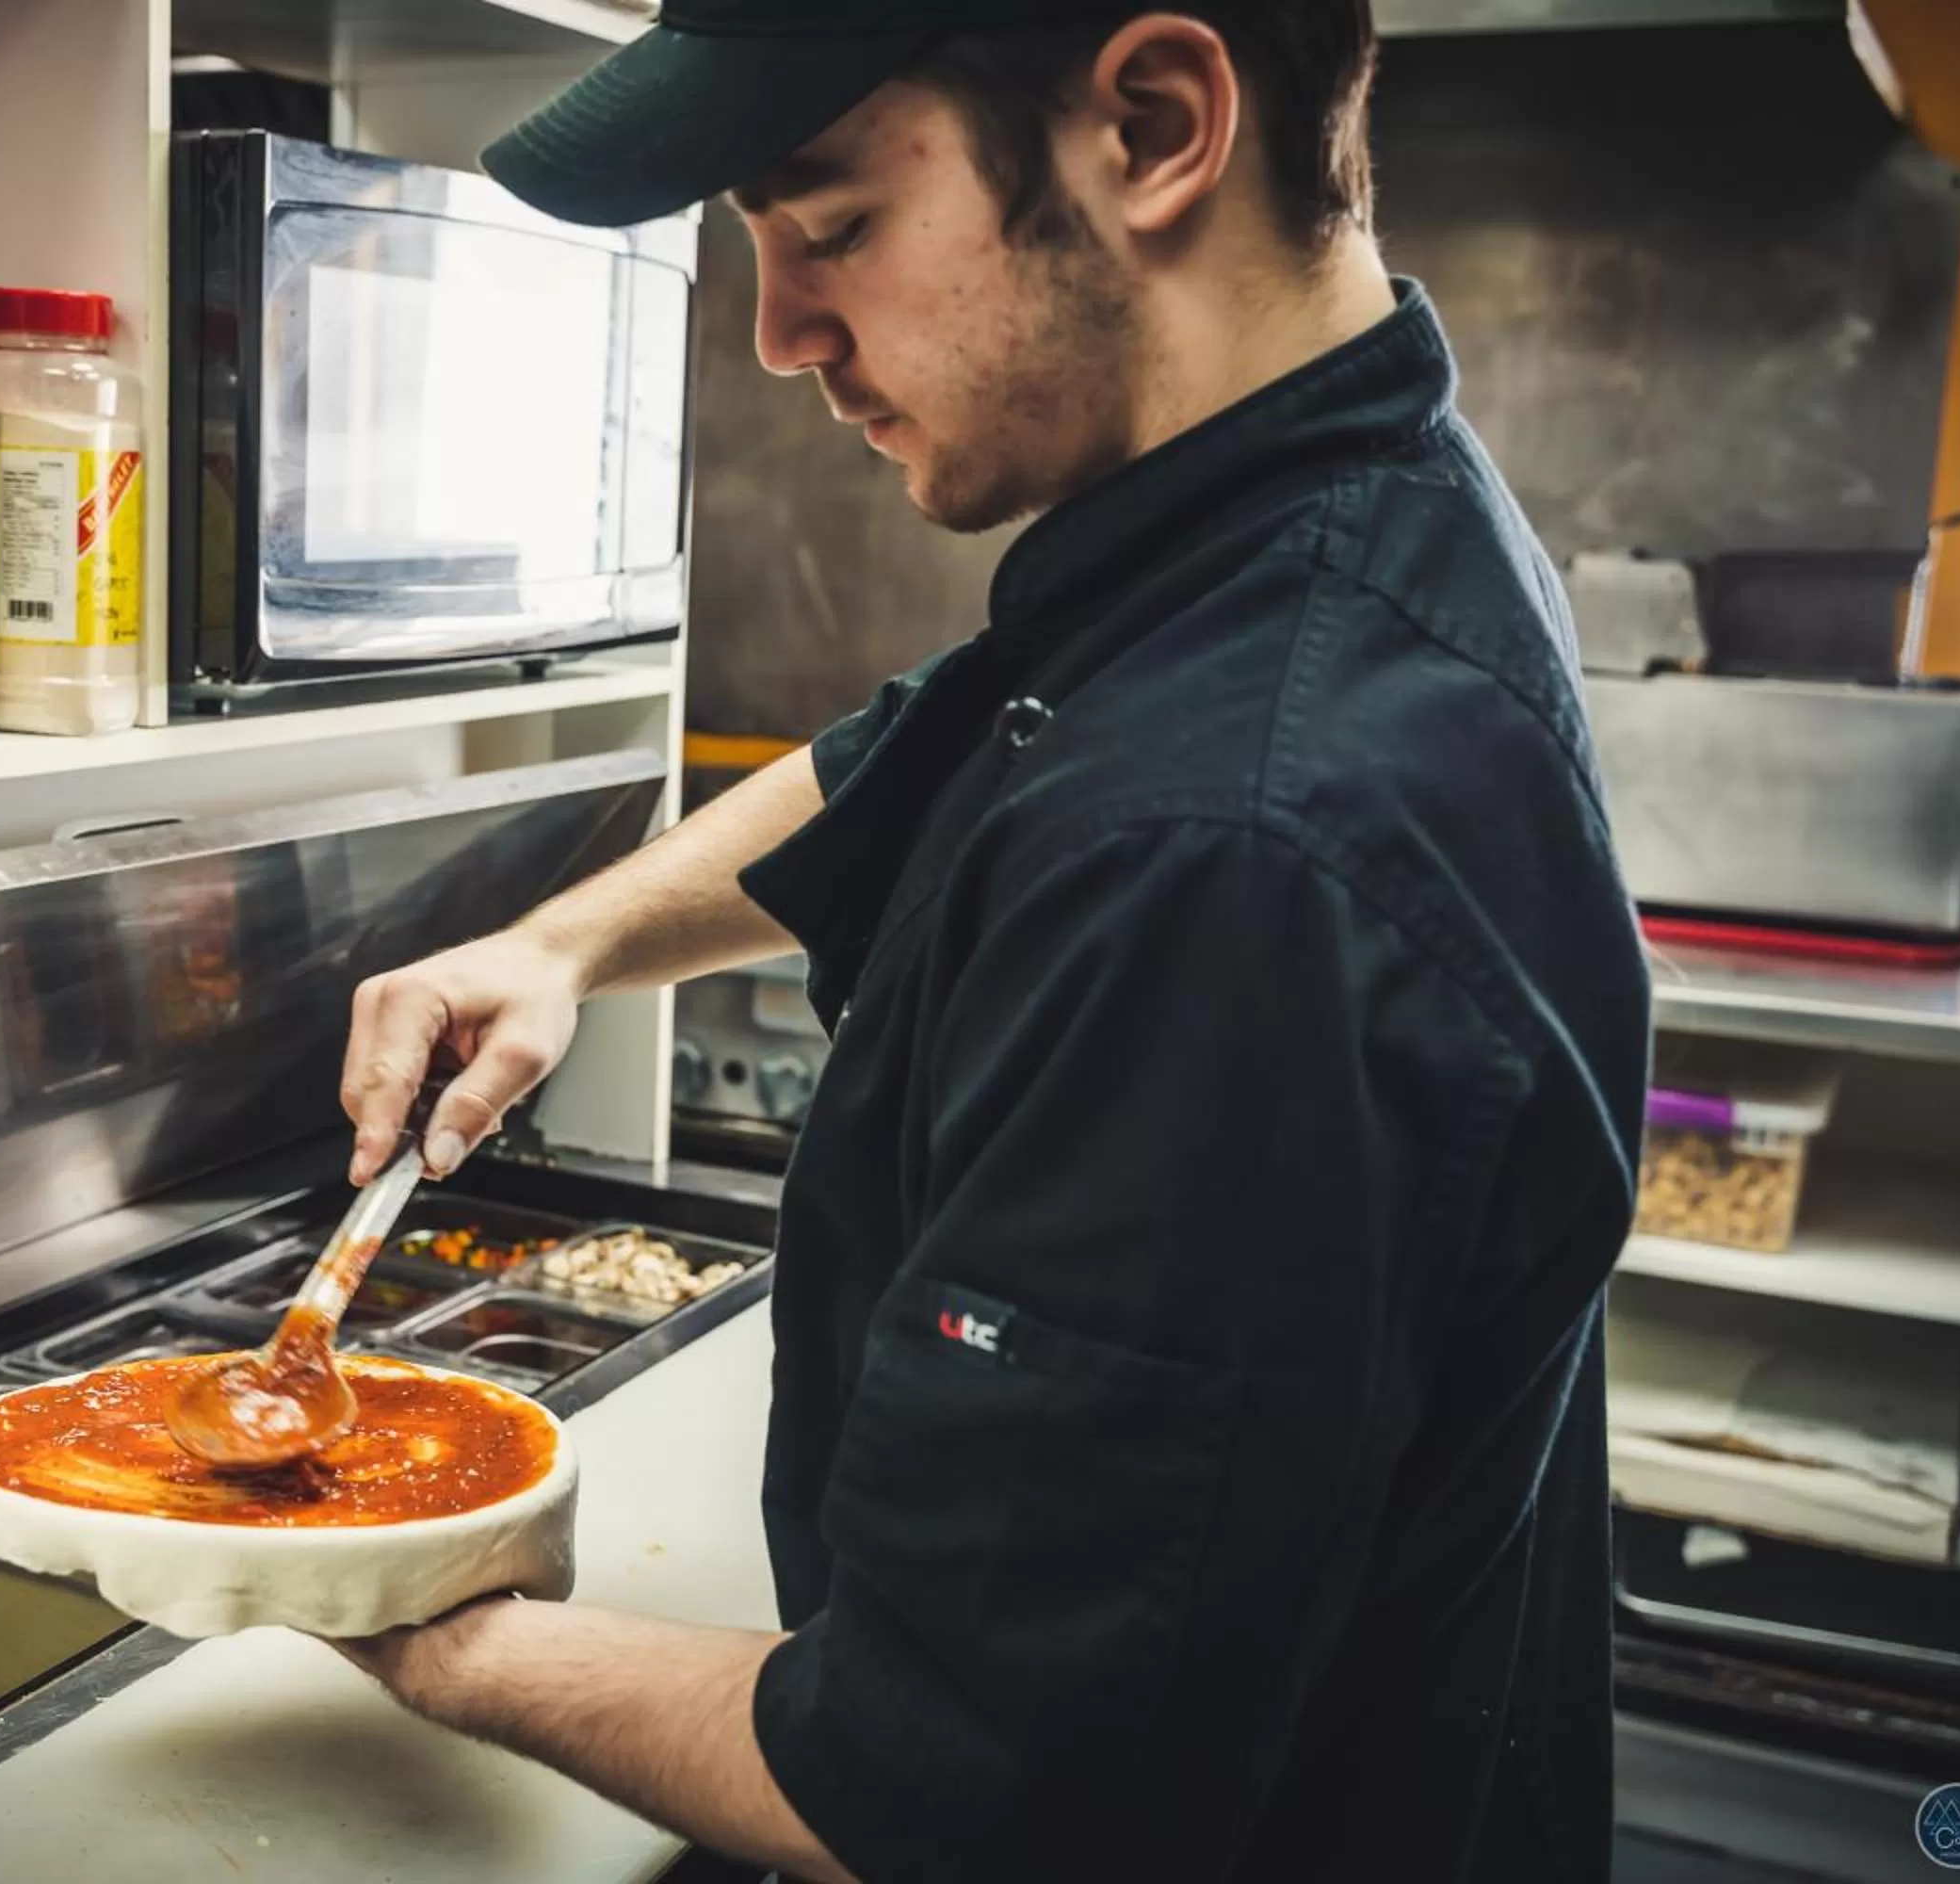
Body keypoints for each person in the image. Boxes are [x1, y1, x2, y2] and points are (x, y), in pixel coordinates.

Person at [332, 4, 1650, 1879]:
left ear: (1160, 121)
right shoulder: (1310, 522)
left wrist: (409, 1607)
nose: (780, 331)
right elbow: (920, 744)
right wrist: (564, 941)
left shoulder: (1237, 854)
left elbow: (950, 1794)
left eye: (835, 226)